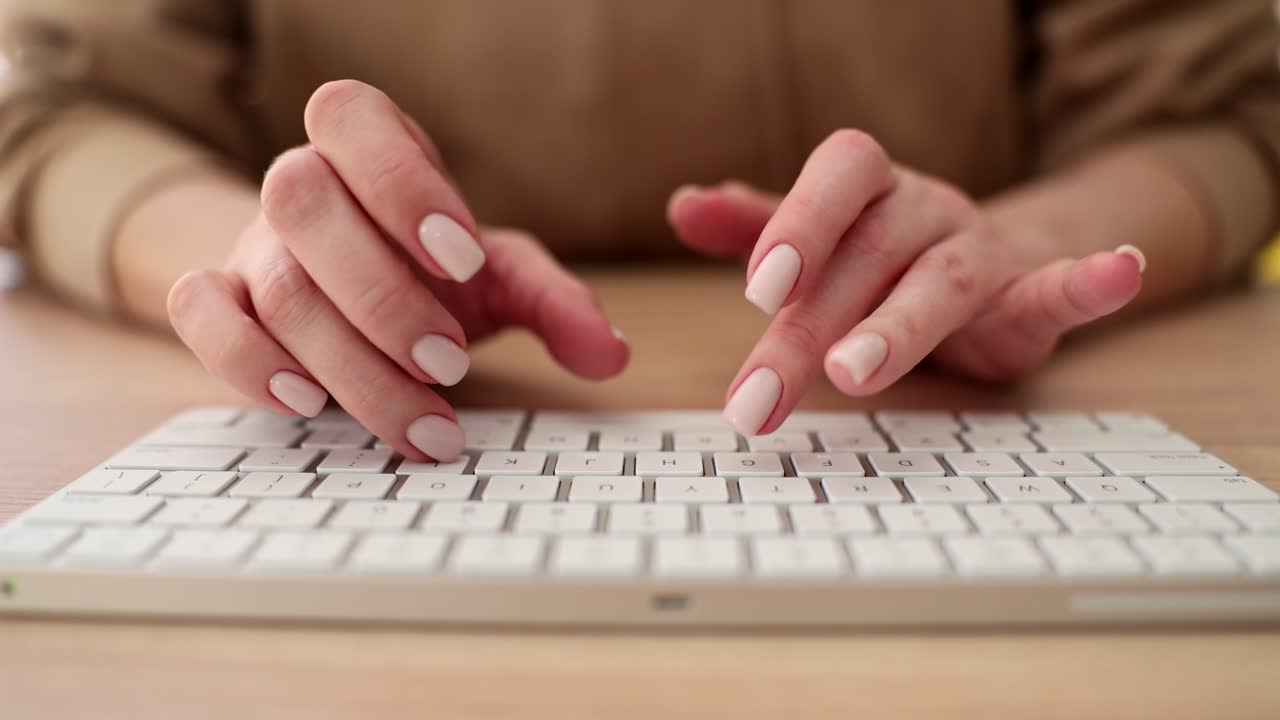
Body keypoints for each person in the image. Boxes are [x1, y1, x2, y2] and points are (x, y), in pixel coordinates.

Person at [1, 1, 1276, 461]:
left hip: (931, 416)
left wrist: (1003, 253)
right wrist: (272, 266)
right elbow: (50, 105)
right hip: (428, 428)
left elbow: (1230, 106)